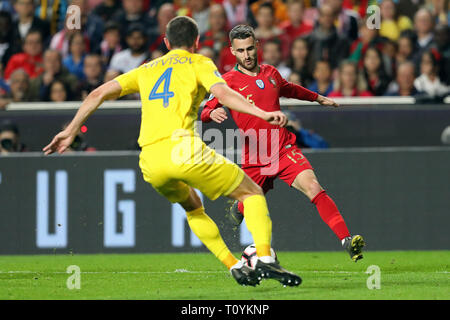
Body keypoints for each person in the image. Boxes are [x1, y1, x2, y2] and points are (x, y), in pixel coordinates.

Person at [43, 16, 301, 287]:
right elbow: (224, 96)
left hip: (151, 161)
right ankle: (265, 259)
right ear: (197, 42)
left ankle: (234, 265)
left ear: (166, 43)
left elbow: (98, 94)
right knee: (252, 193)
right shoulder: (199, 62)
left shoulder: (146, 69)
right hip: (183, 150)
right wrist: (262, 112)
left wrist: (71, 130)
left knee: (193, 208)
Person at [201, 24, 365, 262]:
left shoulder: (271, 73)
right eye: (240, 51)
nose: (246, 55)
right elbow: (206, 109)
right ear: (232, 51)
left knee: (313, 187)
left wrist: (318, 98)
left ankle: (346, 240)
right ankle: (238, 209)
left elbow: (290, 89)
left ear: (257, 46)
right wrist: (211, 114)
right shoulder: (227, 82)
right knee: (250, 203)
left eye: (249, 49)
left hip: (283, 148)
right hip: (255, 156)